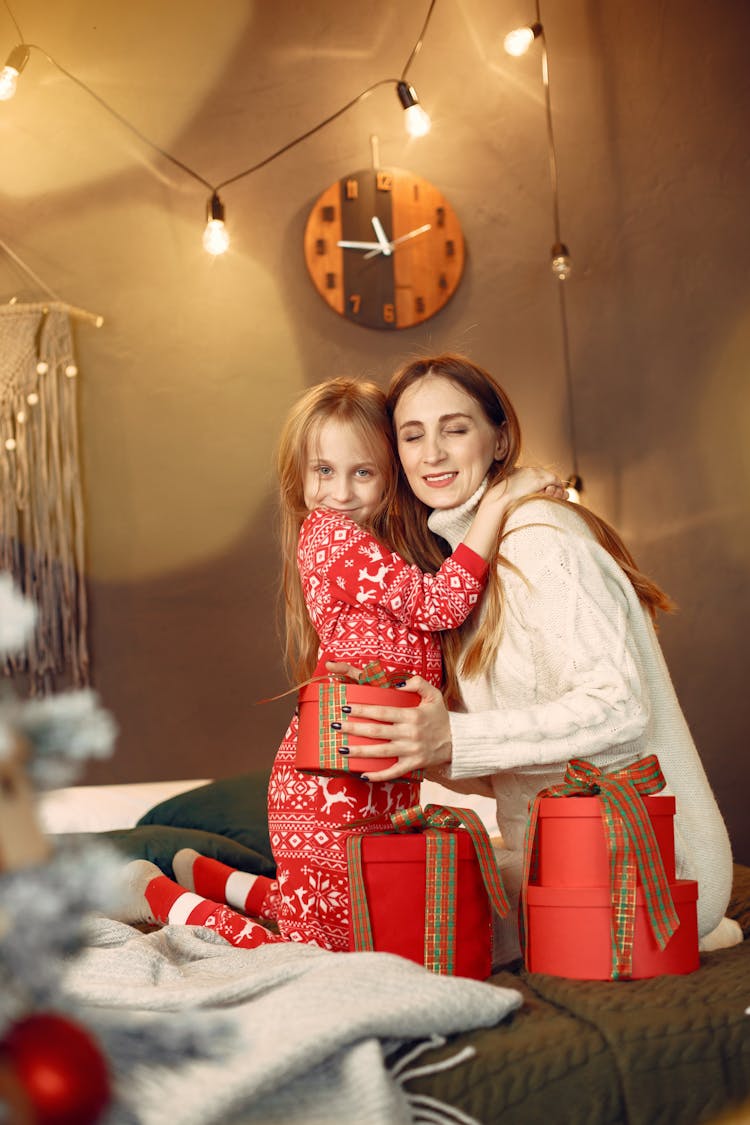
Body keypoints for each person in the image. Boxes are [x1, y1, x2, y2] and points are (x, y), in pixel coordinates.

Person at [117, 376, 564, 951]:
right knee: (314, 953)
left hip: (385, 780)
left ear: (389, 476)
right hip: (329, 787)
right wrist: (501, 500)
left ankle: (212, 876)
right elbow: (441, 603)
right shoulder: (329, 537)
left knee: (358, 916)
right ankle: (158, 895)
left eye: (363, 472)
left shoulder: (379, 544)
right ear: (300, 479)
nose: (342, 492)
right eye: (325, 471)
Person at [329, 354, 737, 962]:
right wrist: (416, 746)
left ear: (499, 440)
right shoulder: (463, 574)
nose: (432, 453)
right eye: (412, 435)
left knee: (383, 942)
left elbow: (619, 711)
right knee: (360, 904)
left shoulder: (539, 539)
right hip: (556, 859)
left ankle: (696, 927)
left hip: (648, 868)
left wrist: (454, 740)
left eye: (456, 428)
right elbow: (526, 772)